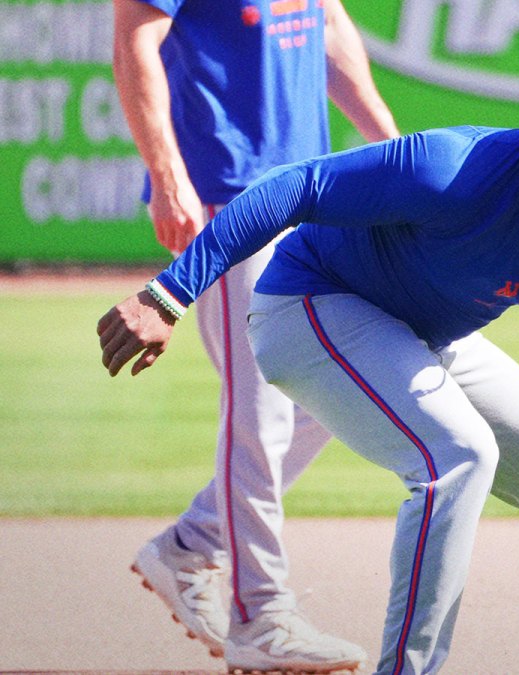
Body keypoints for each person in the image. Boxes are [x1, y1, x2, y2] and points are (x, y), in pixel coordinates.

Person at [99, 45, 519, 674]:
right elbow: (298, 186)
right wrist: (167, 293)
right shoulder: (453, 167)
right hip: (310, 303)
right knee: (460, 456)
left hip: (423, 333)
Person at [110, 0, 399, 670]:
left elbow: (326, 24)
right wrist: (166, 173)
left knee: (344, 378)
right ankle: (262, 616)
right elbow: (133, 41)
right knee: (262, 410)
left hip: (307, 191)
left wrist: (387, 142)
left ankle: (193, 543)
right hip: (228, 193)